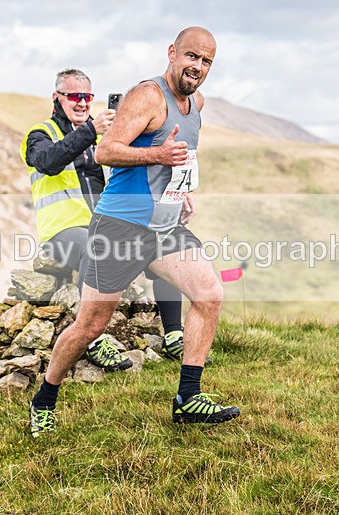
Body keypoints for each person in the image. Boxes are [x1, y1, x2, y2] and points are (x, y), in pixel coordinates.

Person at [29, 27, 240, 437]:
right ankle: (45, 398)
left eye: (206, 61)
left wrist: (181, 189)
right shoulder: (147, 95)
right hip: (120, 228)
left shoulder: (197, 102)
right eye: (191, 57)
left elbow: (180, 156)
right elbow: (107, 150)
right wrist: (156, 154)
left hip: (164, 226)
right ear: (172, 53)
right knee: (90, 326)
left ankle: (188, 399)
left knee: (209, 293)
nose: (197, 67)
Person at [20, 68, 186, 373]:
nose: (82, 102)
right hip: (63, 231)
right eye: (74, 96)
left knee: (162, 243)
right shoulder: (41, 134)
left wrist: (176, 193)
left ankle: (174, 333)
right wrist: (90, 131)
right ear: (56, 98)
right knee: (95, 248)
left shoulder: (102, 139)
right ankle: (94, 341)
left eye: (87, 96)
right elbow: (48, 162)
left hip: (107, 224)